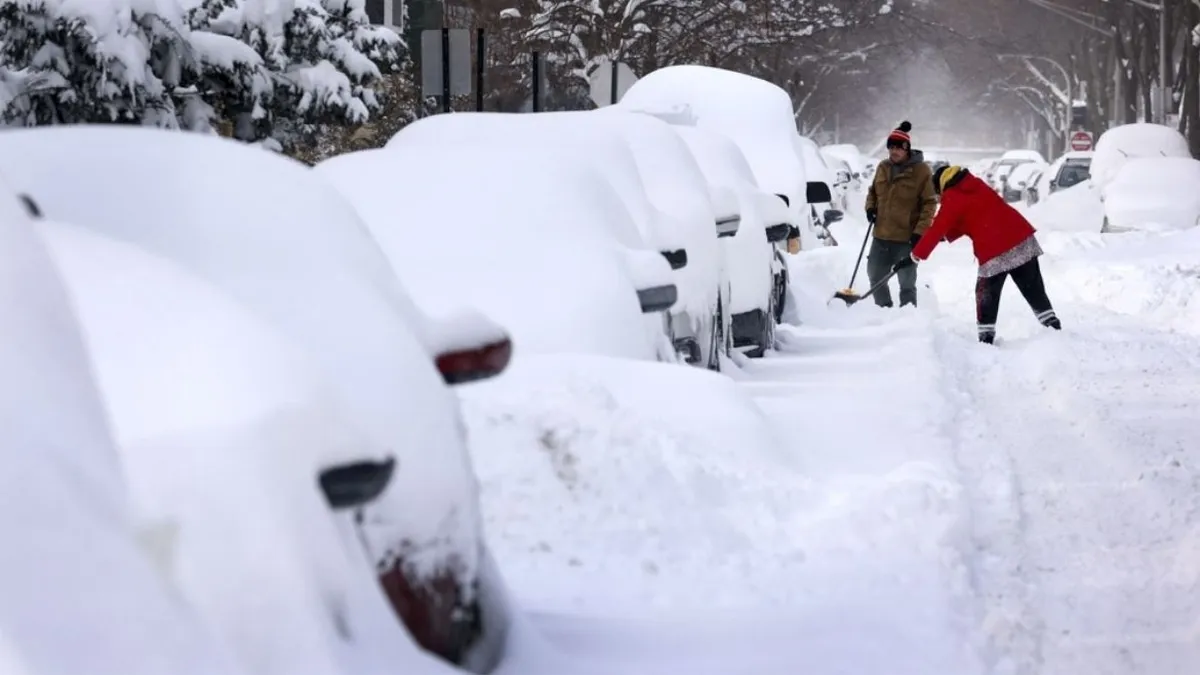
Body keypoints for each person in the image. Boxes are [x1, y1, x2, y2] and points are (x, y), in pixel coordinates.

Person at [894, 165, 1063, 344]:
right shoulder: (975, 184)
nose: (938, 197)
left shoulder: (952, 196)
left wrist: (915, 255)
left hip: (995, 250)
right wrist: (942, 236)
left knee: (986, 294)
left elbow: (938, 227)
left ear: (941, 185)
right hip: (1021, 240)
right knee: (1033, 288)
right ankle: (1053, 328)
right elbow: (970, 217)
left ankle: (986, 338)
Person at [864, 121, 938, 308]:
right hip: (881, 236)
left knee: (906, 283)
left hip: (906, 239)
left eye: (898, 148)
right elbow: (872, 191)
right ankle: (885, 311)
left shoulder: (921, 171)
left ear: (907, 149)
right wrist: (870, 208)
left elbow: (929, 203)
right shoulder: (883, 167)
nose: (894, 152)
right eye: (891, 147)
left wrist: (920, 231)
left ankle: (908, 320)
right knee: (875, 276)